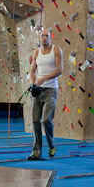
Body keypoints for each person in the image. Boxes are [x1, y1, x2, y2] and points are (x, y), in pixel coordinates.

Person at [27, 29, 62, 160]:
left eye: (47, 36)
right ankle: (36, 152)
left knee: (46, 119)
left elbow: (59, 70)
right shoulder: (36, 52)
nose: (44, 38)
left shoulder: (56, 50)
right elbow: (32, 71)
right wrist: (32, 83)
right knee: (35, 120)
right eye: (42, 36)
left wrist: (44, 78)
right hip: (38, 89)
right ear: (39, 38)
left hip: (51, 89)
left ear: (50, 38)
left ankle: (52, 145)